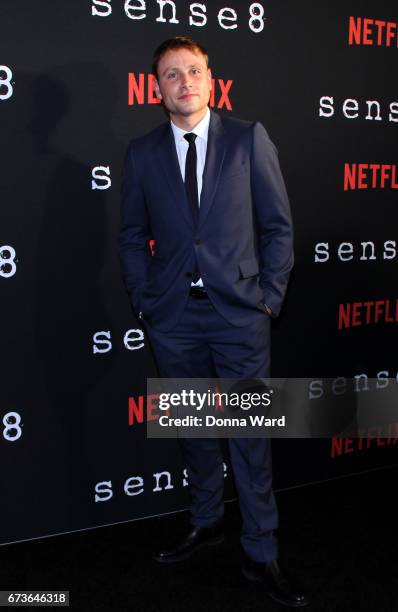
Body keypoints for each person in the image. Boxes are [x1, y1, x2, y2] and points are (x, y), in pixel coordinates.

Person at [119, 36, 308, 608]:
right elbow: (130, 236)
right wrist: (145, 301)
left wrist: (268, 298)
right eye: (171, 74)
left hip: (240, 317)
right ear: (158, 89)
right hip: (173, 318)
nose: (184, 82)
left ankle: (261, 551)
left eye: (193, 70)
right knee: (197, 432)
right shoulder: (143, 153)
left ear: (210, 78)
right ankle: (206, 521)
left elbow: (278, 227)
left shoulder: (249, 138)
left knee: (251, 438)